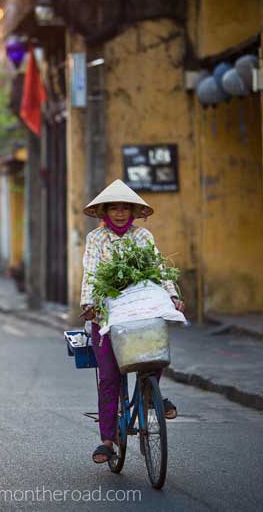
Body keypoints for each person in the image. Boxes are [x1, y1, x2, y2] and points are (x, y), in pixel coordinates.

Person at [79, 180, 185, 464]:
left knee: (154, 354)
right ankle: (107, 441)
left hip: (139, 308)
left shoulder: (143, 236)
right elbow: (90, 273)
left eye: (125, 207)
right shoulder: (96, 240)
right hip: (107, 313)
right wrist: (88, 305)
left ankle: (150, 394)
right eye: (113, 207)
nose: (119, 213)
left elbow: (158, 269)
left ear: (133, 211)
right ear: (104, 211)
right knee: (110, 377)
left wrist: (172, 296)